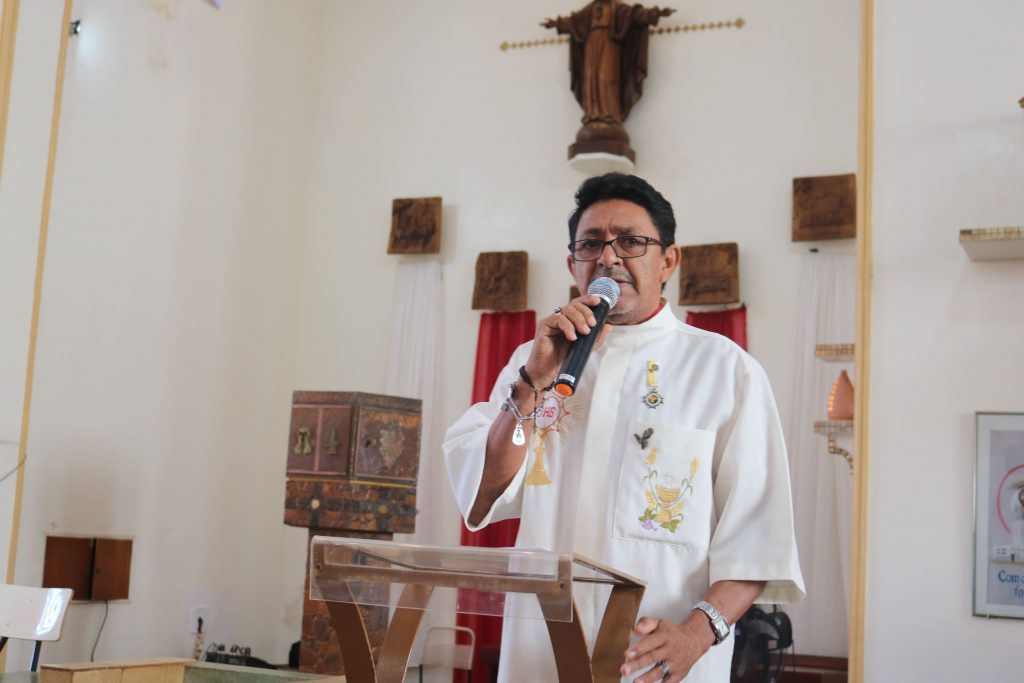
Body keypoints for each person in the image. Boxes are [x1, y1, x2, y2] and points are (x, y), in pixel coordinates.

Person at [444, 173, 804, 682]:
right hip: (541, 653)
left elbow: (759, 537)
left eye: (631, 241)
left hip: (659, 661)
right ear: (573, 264)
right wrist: (530, 385)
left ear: (668, 261)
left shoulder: (726, 371)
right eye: (591, 244)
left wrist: (697, 634)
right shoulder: (534, 361)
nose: (608, 258)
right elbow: (484, 491)